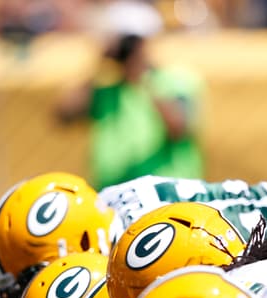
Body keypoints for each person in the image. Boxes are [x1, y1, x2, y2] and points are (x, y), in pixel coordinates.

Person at [55, 4, 204, 192]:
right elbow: (64, 115)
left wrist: (143, 76)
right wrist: (99, 66)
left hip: (168, 195)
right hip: (114, 196)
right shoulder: (105, 87)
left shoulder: (176, 81)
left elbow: (180, 129)